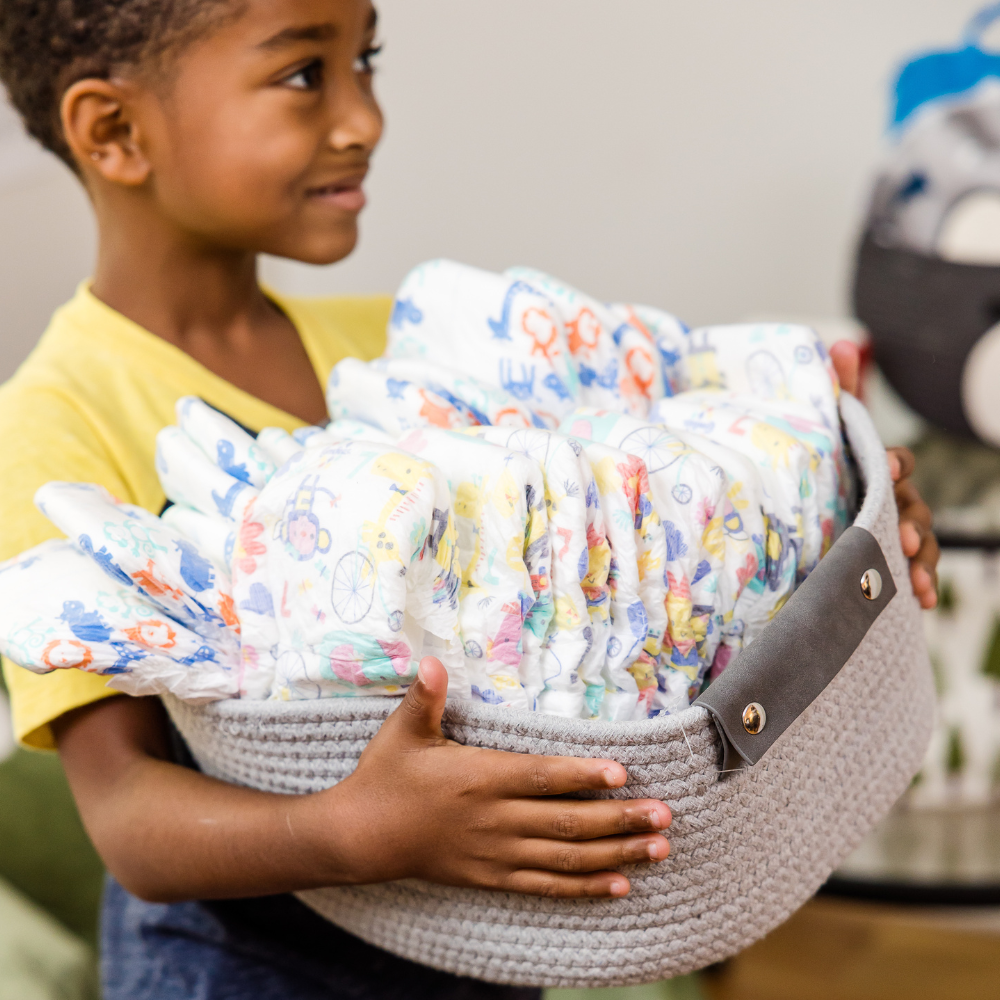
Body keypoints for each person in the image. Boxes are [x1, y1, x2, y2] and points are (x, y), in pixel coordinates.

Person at [0, 1, 939, 998]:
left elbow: (644, 534)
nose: (364, 117)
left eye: (366, 59)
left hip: (488, 932)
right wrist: (355, 831)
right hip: (244, 959)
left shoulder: (416, 347)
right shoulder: (55, 421)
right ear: (114, 132)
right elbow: (131, 825)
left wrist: (821, 490)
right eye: (304, 74)